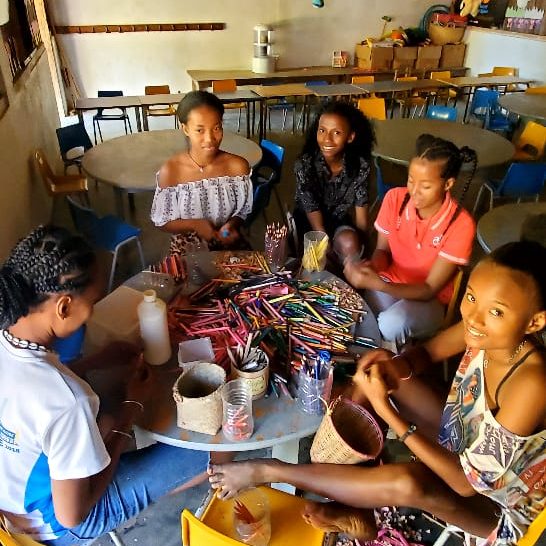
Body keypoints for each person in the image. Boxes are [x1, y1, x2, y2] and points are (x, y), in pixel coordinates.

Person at [208, 240, 546, 546]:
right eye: (470, 297)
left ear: (534, 323)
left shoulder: (532, 383)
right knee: (379, 374)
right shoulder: (482, 328)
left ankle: (268, 470)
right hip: (463, 441)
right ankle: (353, 505)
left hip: (496, 504)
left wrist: (388, 413)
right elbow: (426, 354)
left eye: (496, 311)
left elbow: (464, 483)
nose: (474, 316)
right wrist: (394, 365)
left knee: (410, 483)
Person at [0, 225, 208, 545]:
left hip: (10, 498)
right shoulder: (68, 401)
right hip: (52, 526)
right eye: (92, 302)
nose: (92, 312)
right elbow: (72, 516)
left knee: (104, 421)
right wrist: (131, 408)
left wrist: (96, 361)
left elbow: (32, 388)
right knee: (207, 450)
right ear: (64, 307)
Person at [344, 133, 477, 349]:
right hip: (392, 280)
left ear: (448, 184)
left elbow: (429, 288)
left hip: (431, 300)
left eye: (425, 186)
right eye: (411, 180)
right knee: (359, 313)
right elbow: (383, 252)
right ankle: (394, 353)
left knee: (390, 324)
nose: (414, 192)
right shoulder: (395, 199)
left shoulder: (460, 224)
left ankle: (400, 358)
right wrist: (368, 268)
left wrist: (381, 285)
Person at [150, 90, 253, 256]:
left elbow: (242, 211)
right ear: (185, 129)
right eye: (200, 130)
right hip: (187, 250)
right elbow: (162, 221)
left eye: (216, 128)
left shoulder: (238, 167)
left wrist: (230, 226)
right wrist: (195, 224)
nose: (210, 138)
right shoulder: (171, 171)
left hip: (228, 244)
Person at [293, 100, 375, 265]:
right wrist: (324, 241)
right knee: (317, 258)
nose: (327, 139)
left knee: (351, 243)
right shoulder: (305, 164)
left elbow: (361, 211)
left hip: (339, 221)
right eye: (322, 130)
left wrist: (363, 248)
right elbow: (311, 207)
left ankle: (349, 278)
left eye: (336, 132)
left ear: (350, 137)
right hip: (308, 224)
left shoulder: (360, 166)